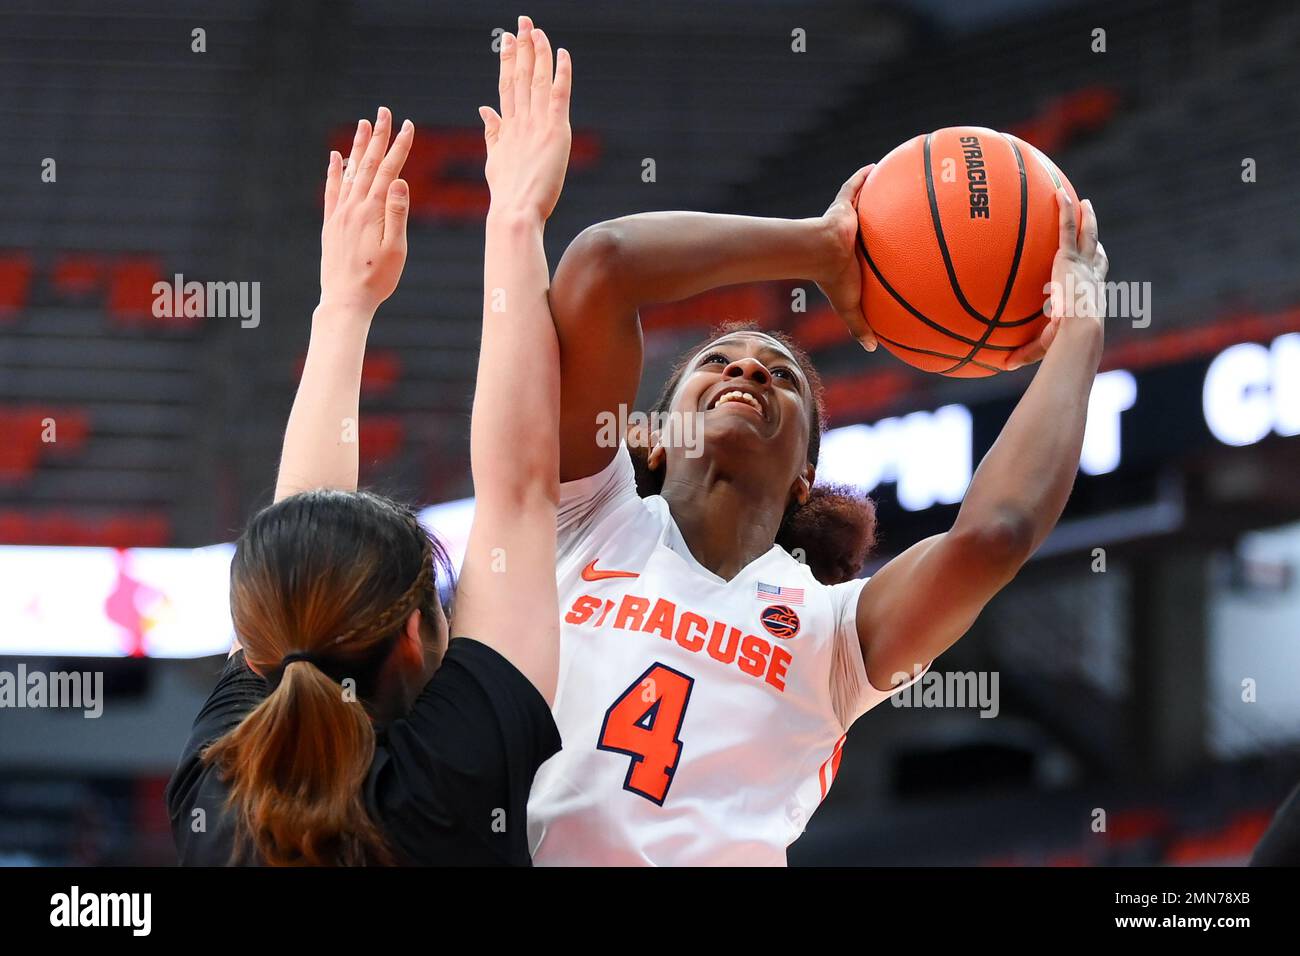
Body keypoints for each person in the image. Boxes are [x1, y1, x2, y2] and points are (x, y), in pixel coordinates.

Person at [525, 166, 1109, 864]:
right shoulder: (587, 513)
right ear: (652, 438)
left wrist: (1080, 333)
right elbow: (603, 263)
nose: (748, 372)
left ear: (806, 476)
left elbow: (995, 536)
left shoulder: (831, 632)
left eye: (782, 376)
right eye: (718, 361)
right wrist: (820, 246)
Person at [165, 17, 574, 865]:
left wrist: (517, 220)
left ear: (256, 645)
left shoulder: (226, 793)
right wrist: (508, 221)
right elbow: (517, 489)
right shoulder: (218, 781)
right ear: (417, 639)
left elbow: (520, 491)